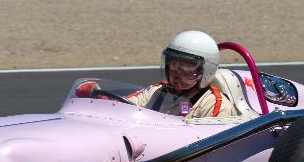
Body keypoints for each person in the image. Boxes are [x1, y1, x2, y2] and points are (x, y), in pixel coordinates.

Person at [77, 30, 234, 117]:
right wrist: (101, 99)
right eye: (173, 64)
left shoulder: (215, 105)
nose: (176, 73)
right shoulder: (157, 91)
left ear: (206, 70)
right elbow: (125, 106)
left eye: (186, 66)